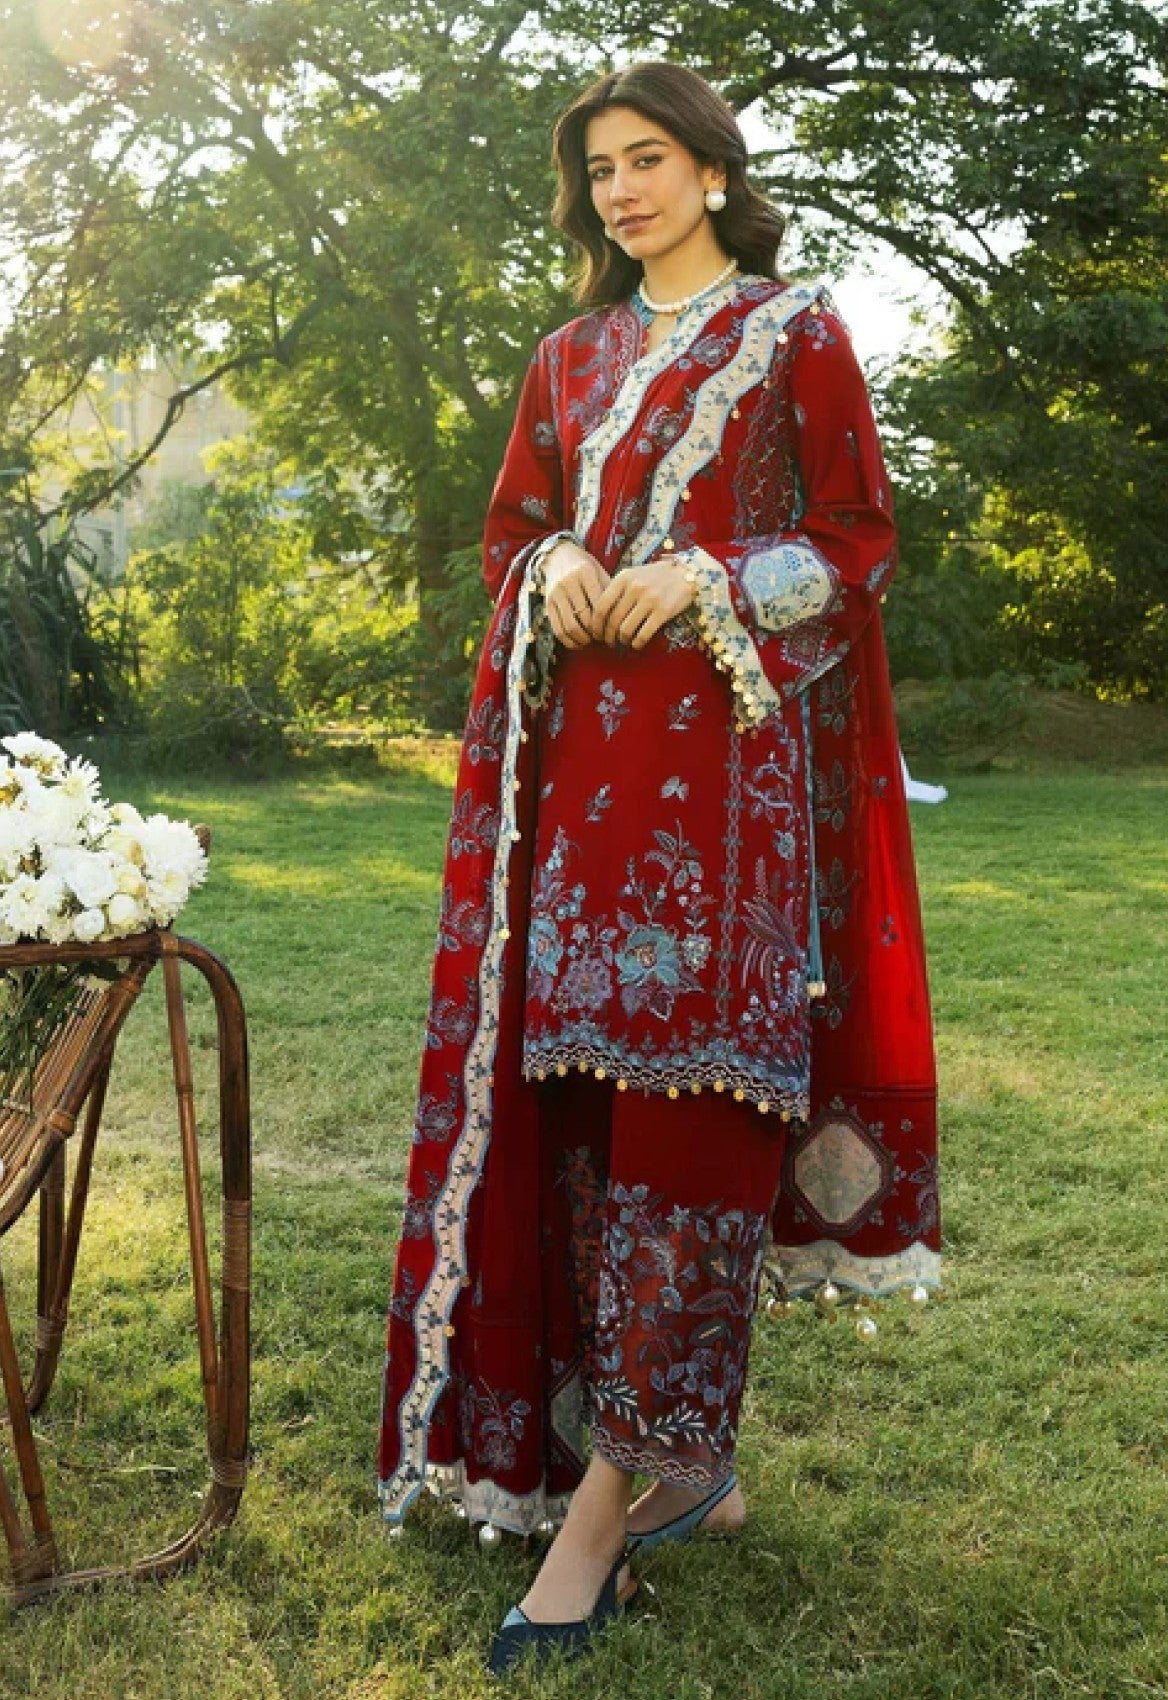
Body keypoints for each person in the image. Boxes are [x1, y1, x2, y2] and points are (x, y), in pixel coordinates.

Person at [377, 59, 941, 1675]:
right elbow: (512, 536)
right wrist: (556, 561)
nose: (620, 191)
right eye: (600, 169)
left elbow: (858, 541)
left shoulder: (795, 333)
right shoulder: (567, 359)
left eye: (648, 159)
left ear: (711, 171)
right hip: (576, 814)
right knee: (585, 1139)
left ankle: (605, 1522)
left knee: (692, 1142)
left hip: (727, 818)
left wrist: (709, 579)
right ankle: (678, 1468)